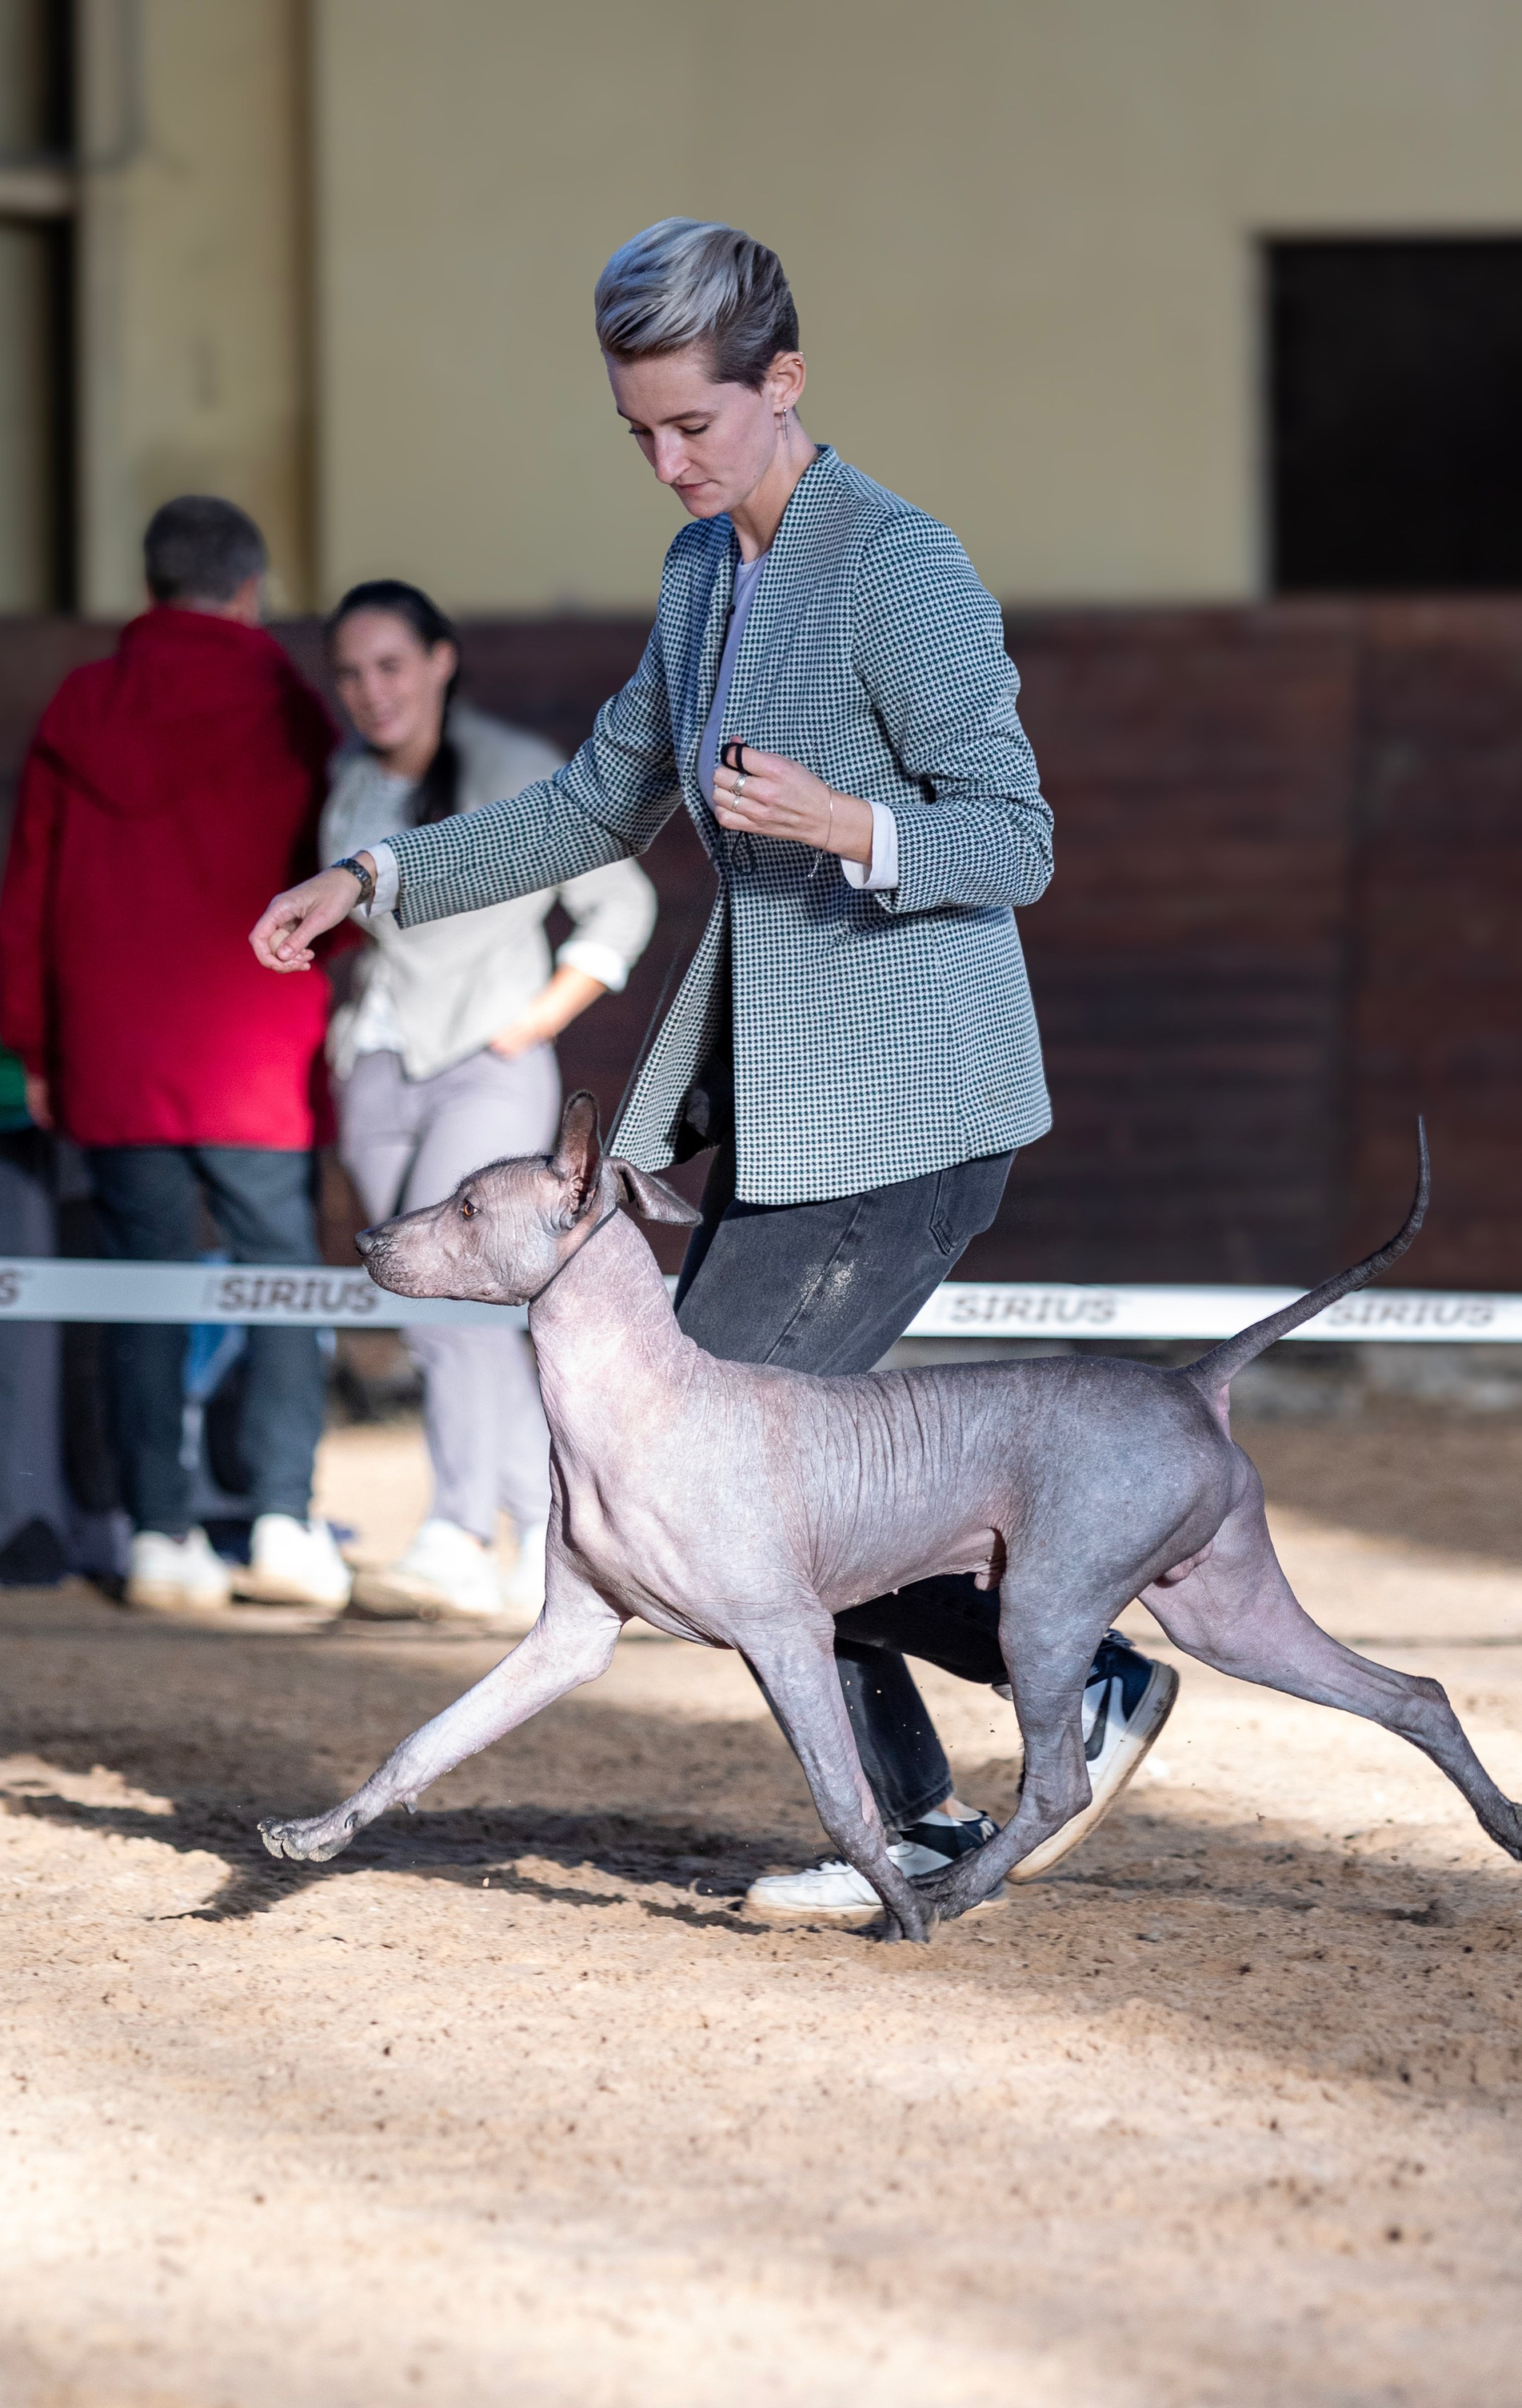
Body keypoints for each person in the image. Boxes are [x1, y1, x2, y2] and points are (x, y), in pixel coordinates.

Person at [250, 222, 1177, 1922]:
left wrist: (852, 824)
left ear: (784, 382)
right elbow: (589, 805)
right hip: (767, 1107)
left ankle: (1010, 1731)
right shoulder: (698, 576)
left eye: (693, 424)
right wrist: (374, 878)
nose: (668, 463)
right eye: (640, 434)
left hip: (907, 1110)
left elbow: (1018, 837)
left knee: (722, 1487)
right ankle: (972, 1764)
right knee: (735, 1485)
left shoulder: (900, 564)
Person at [0, 493, 350, 1618]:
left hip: (115, 1058)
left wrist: (33, 1045)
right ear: (249, 591)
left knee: (142, 1289)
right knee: (282, 1280)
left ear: (149, 589)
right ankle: (283, 1523)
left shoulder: (81, 704)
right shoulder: (292, 707)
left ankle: (158, 1535)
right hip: (260, 1055)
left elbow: (27, 895)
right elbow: (335, 876)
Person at [319, 578, 656, 1622]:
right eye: (350, 672)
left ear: (441, 661)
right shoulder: (348, 778)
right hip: (378, 1065)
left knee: (456, 1295)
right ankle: (547, 1544)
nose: (372, 691)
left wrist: (534, 1022)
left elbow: (622, 901)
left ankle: (460, 1532)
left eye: (391, 665)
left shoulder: (516, 769)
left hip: (487, 1062)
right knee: (430, 1306)